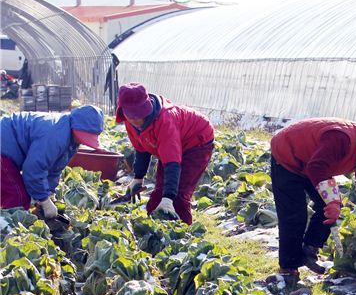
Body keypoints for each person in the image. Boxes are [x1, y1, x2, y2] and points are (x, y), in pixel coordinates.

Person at [270, 118, 356, 279]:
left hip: (311, 162)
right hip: (288, 156)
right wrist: (332, 201)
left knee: (329, 207)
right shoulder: (341, 139)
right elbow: (316, 167)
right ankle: (288, 268)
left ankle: (309, 250)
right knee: (294, 214)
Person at [116, 83, 214, 222]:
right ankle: (154, 231)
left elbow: (172, 163)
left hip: (197, 141)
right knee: (157, 197)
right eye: (132, 116)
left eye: (140, 114)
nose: (137, 120)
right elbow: (141, 149)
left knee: (178, 195)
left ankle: (182, 236)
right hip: (174, 143)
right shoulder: (129, 121)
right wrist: (138, 177)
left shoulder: (165, 120)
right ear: (123, 111)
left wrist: (168, 198)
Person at [0, 105, 104, 217]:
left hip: (9, 149)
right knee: (17, 196)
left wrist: (49, 193)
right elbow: (33, 169)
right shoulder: (56, 135)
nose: (84, 141)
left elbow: (54, 169)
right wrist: (44, 200)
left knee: (12, 191)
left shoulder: (71, 139)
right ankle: (9, 230)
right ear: (76, 126)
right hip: (3, 147)